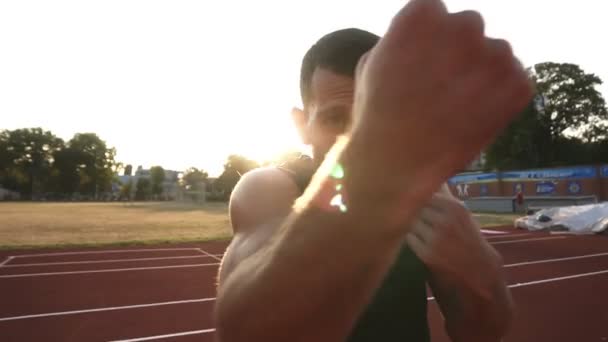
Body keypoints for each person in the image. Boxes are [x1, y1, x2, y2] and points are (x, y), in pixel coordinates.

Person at [214, 0, 533, 341]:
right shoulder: (269, 188)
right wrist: (379, 167)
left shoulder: (429, 197)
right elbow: (245, 332)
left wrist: (481, 277)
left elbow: (483, 332)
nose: (355, 137)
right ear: (301, 124)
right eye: (336, 118)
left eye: (370, 116)